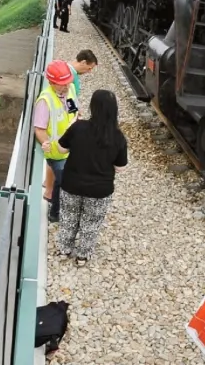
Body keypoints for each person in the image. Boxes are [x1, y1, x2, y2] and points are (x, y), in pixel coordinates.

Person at [54, 89, 128, 266]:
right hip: (99, 190)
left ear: (92, 107)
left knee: (68, 218)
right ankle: (82, 256)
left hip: (72, 184)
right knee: (91, 223)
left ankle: (64, 250)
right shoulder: (118, 137)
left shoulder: (79, 127)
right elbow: (120, 168)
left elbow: (61, 149)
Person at [33, 59, 79, 223]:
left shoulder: (71, 89)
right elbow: (39, 129)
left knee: (64, 181)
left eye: (67, 82)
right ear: (51, 82)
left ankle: (55, 206)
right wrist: (46, 143)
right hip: (56, 151)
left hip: (71, 148)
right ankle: (55, 214)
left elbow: (74, 111)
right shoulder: (45, 101)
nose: (66, 87)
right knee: (65, 181)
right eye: (61, 84)